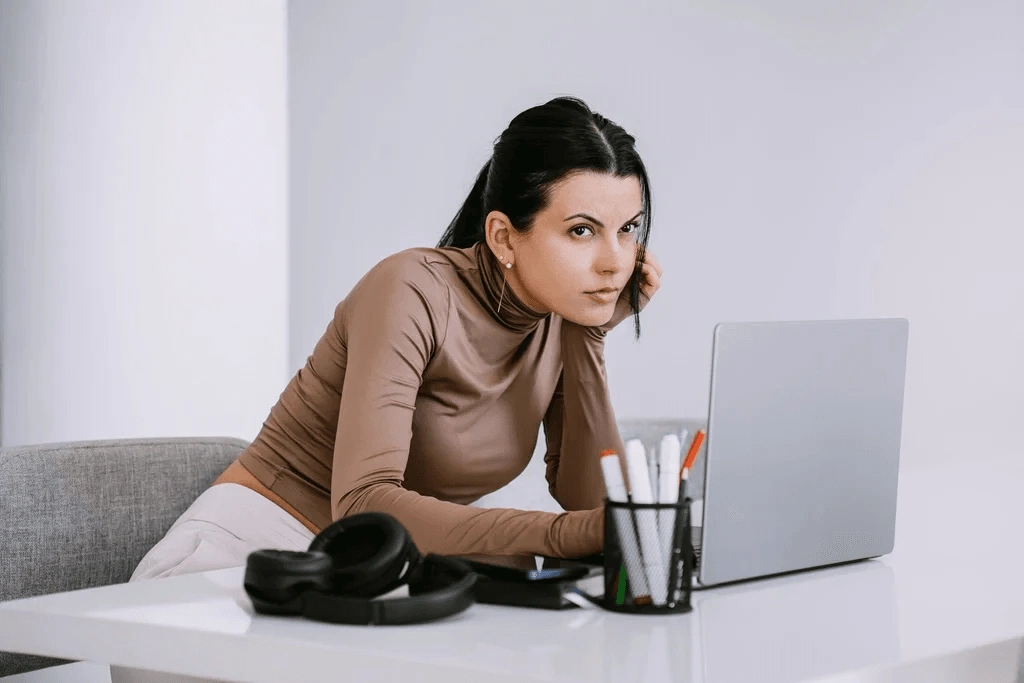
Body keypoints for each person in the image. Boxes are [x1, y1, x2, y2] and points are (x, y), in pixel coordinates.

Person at [128, 96, 662, 582]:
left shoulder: (557, 317)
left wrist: (588, 338)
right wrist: (552, 535)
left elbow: (589, 506)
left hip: (367, 572)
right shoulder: (410, 289)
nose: (615, 261)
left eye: (628, 229)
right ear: (502, 236)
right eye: (582, 230)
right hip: (247, 562)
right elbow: (363, 503)